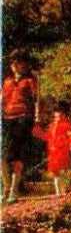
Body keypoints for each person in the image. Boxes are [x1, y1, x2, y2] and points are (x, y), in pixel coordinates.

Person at [2, 55, 39, 202]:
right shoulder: (7, 81)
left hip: (23, 118)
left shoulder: (30, 80)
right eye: (15, 63)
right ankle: (6, 187)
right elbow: (2, 99)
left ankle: (13, 190)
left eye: (20, 63)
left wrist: (36, 117)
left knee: (18, 157)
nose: (18, 65)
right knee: (3, 157)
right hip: (7, 119)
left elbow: (36, 99)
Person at [42, 101, 71, 196]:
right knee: (55, 172)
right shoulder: (52, 126)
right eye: (56, 112)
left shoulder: (67, 125)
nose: (57, 114)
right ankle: (60, 191)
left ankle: (61, 192)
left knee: (60, 171)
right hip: (53, 151)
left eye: (60, 112)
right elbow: (47, 136)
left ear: (64, 114)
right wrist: (38, 132)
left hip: (62, 151)